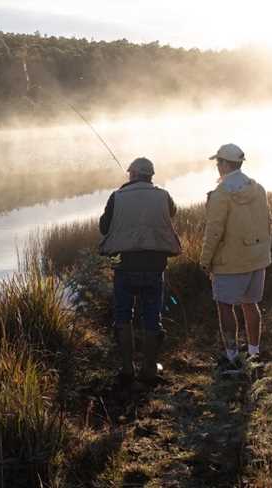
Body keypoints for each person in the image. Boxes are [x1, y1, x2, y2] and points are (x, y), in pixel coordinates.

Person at [99, 157, 181, 386]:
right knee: (152, 317)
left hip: (123, 265)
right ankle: (149, 370)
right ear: (150, 175)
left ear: (133, 174)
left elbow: (103, 227)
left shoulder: (116, 197)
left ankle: (127, 369)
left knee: (123, 316)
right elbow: (171, 213)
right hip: (155, 266)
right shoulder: (164, 196)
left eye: (129, 174)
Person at [199, 144, 272, 370]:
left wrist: (205, 260)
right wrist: (263, 250)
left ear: (226, 164)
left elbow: (214, 231)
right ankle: (253, 352)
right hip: (257, 258)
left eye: (218, 162)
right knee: (251, 304)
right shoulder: (257, 188)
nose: (217, 166)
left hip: (229, 262)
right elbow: (269, 222)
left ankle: (231, 356)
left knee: (225, 306)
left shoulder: (221, 195)